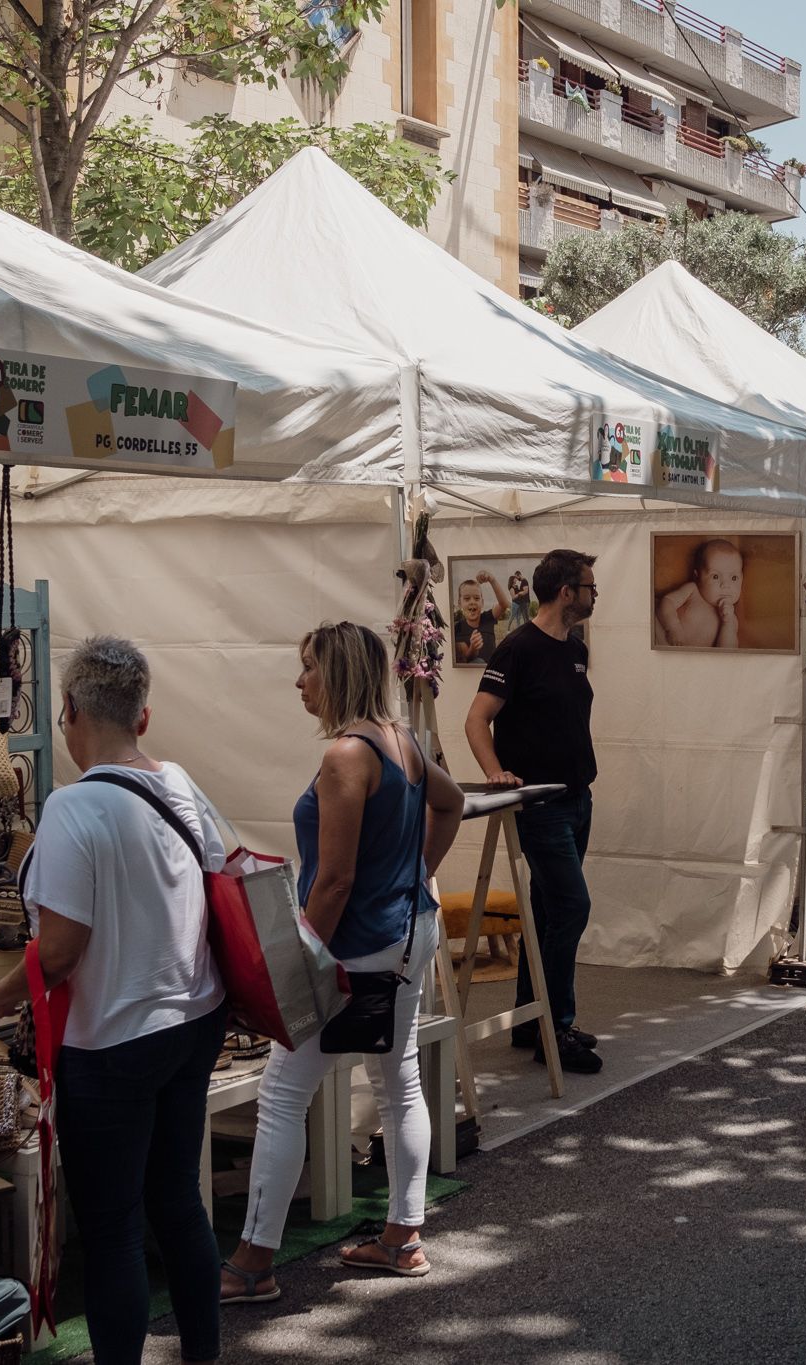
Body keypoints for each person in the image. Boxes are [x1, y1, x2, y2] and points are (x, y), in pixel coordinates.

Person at [0, 637, 229, 1365]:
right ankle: (204, 1354)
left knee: (114, 1223)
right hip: (192, 1017)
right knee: (178, 1200)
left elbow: (59, 948)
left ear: (70, 712)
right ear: (142, 717)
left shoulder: (71, 807)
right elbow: (218, 883)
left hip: (115, 1037)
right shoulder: (181, 782)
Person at [222, 623, 466, 1301]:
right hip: (409, 932)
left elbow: (332, 880)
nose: (299, 682)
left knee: (281, 1093)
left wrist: (297, 962)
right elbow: (451, 804)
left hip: (356, 945)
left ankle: (252, 1263)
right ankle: (403, 1237)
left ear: (336, 672)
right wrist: (417, 874)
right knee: (401, 1080)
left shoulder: (346, 756)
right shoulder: (402, 741)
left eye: (307, 669)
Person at [465, 549, 604, 1075]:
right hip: (539, 803)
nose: (593, 597)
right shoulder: (516, 649)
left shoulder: (574, 649)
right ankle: (557, 1027)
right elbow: (477, 719)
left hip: (576, 797)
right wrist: (496, 771)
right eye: (590, 588)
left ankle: (532, 1018)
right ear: (566, 592)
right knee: (571, 906)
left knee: (547, 910)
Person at [655, 538, 744, 648]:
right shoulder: (693, 590)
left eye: (734, 578)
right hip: (662, 638)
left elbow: (727, 651)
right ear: (698, 577)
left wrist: (728, 623)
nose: (725, 585)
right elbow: (667, 601)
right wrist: (673, 628)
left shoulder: (731, 619)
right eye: (715, 576)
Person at [452, 572, 509, 665]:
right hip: (472, 674)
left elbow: (504, 604)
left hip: (491, 670)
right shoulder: (457, 628)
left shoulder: (488, 618)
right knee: (478, 661)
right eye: (467, 598)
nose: (472, 602)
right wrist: (473, 648)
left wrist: (492, 580)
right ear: (459, 603)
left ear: (482, 603)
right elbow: (465, 658)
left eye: (476, 598)